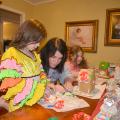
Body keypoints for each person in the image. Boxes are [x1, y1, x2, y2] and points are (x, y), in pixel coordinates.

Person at [0, 19, 48, 112]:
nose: (38, 45)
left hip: (35, 101)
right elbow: (10, 82)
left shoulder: (34, 54)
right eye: (36, 41)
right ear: (26, 36)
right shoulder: (12, 54)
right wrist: (35, 86)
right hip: (19, 104)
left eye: (39, 41)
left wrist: (44, 86)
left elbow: (41, 72)